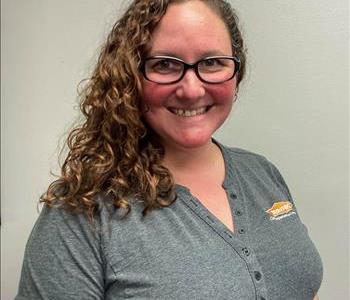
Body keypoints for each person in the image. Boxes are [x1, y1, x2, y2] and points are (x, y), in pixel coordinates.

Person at [16, 0, 322, 299]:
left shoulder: (263, 173)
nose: (191, 89)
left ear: (236, 73)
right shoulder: (84, 211)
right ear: (131, 76)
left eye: (212, 62)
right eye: (164, 64)